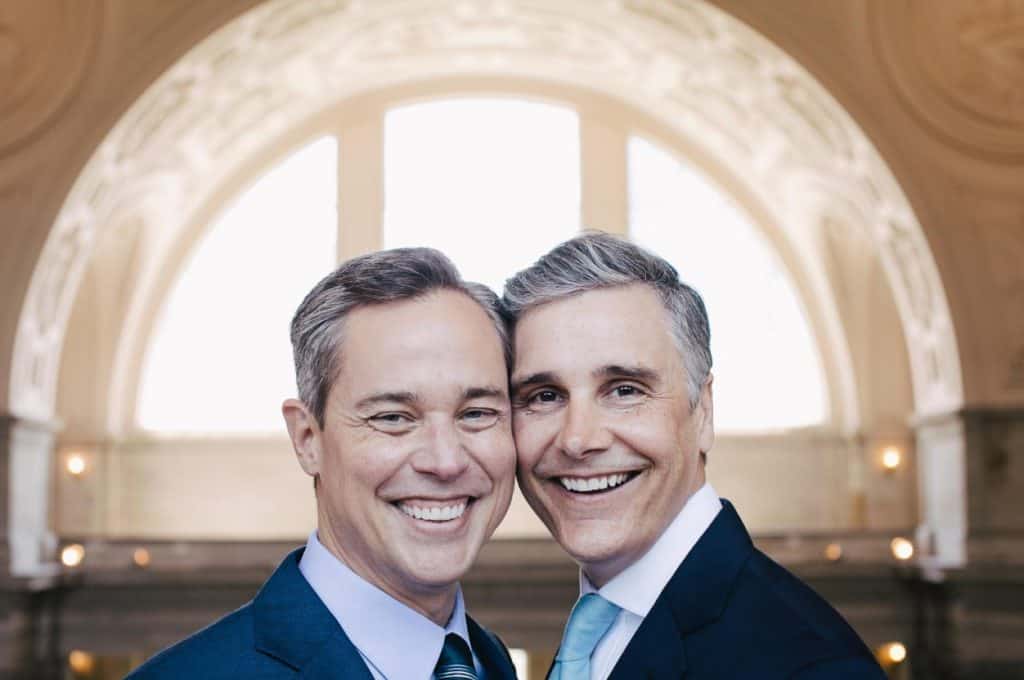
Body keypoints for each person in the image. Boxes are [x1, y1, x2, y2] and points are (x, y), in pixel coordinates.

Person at [502, 232, 885, 679]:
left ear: (703, 412)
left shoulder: (815, 669)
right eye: (544, 396)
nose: (577, 439)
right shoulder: (601, 628)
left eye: (625, 390)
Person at [130, 248, 519, 679]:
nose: (445, 461)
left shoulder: (490, 664)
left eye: (477, 413)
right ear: (307, 439)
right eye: (392, 418)